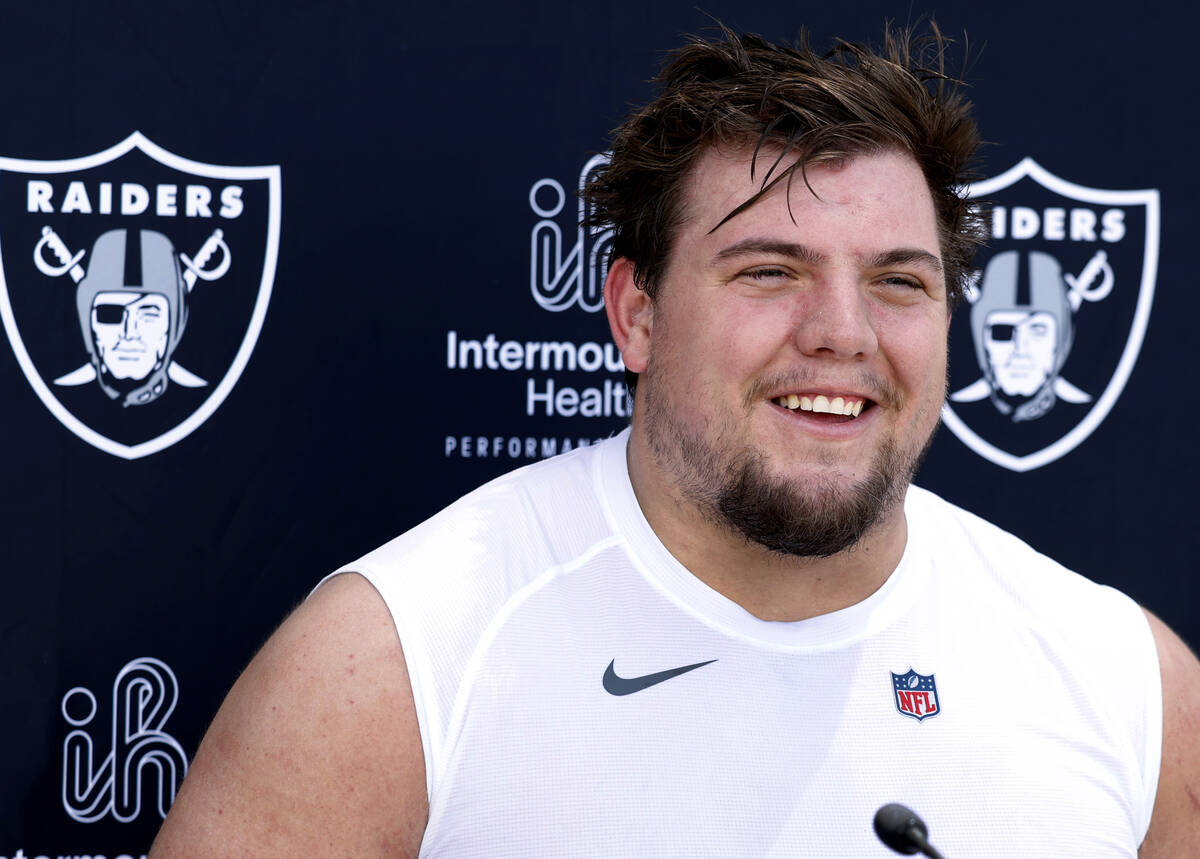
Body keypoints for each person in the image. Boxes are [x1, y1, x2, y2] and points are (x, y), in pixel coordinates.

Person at [151, 25, 1200, 857]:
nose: (842, 331)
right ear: (636, 315)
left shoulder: (1129, 685)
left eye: (898, 281)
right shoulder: (396, 662)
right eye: (769, 271)